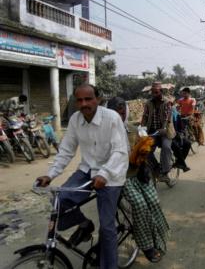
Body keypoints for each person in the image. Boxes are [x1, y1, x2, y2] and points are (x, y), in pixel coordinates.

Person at [35, 84, 129, 269]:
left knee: (107, 227)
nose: (84, 103)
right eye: (79, 100)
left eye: (88, 99)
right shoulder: (75, 120)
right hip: (87, 170)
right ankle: (84, 224)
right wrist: (50, 174)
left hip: (112, 172)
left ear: (98, 99)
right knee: (60, 200)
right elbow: (66, 150)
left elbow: (120, 151)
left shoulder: (111, 118)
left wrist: (104, 174)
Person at [107, 97, 170, 263]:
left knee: (154, 202)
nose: (119, 116)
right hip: (121, 178)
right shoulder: (105, 131)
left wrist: (142, 161)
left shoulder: (132, 130)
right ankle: (147, 246)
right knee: (140, 205)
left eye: (122, 112)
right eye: (115, 112)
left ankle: (159, 238)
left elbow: (143, 151)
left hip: (137, 174)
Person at [141, 82, 175, 181]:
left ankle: (165, 172)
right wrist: (141, 127)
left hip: (165, 131)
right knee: (145, 149)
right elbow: (145, 116)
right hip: (152, 131)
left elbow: (167, 117)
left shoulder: (166, 102)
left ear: (161, 91)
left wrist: (164, 128)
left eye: (156, 92)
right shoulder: (148, 103)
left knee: (166, 147)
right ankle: (156, 168)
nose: (154, 94)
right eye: (152, 92)